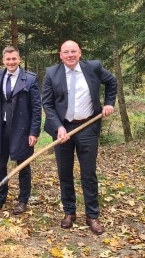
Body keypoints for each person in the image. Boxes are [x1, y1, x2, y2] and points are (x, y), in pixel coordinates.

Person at [42, 40, 117, 235]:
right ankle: (69, 212)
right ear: (60, 55)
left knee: (88, 173)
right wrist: (58, 127)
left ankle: (92, 215)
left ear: (80, 53)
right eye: (66, 52)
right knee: (64, 172)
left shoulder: (93, 68)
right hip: (62, 129)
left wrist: (109, 103)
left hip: (87, 126)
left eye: (73, 51)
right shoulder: (52, 73)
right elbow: (47, 104)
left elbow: (112, 82)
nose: (70, 55)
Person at [0, 46, 42, 215]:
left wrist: (34, 132)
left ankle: (23, 201)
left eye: (14, 59)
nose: (11, 62)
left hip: (22, 131)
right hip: (2, 128)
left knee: (23, 167)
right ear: (3, 61)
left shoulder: (29, 79)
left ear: (19, 59)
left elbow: (36, 108)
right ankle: (0, 199)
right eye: (8, 59)